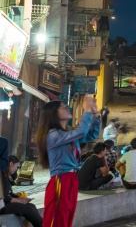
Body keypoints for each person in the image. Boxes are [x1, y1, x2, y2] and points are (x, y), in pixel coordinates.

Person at [37, 97, 100, 227]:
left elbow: (92, 134)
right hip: (60, 180)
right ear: (53, 113)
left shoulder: (67, 135)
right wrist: (86, 110)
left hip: (71, 179)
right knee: (57, 220)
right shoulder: (53, 135)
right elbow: (82, 131)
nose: (67, 108)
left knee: (66, 219)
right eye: (63, 107)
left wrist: (95, 114)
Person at [1, 155, 43, 227]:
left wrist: (20, 198)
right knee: (27, 209)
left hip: (6, 203)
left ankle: (41, 224)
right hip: (2, 206)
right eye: (16, 166)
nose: (17, 169)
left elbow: (9, 193)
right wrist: (19, 200)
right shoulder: (2, 177)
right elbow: (5, 197)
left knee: (31, 206)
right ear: (11, 164)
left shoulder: (7, 176)